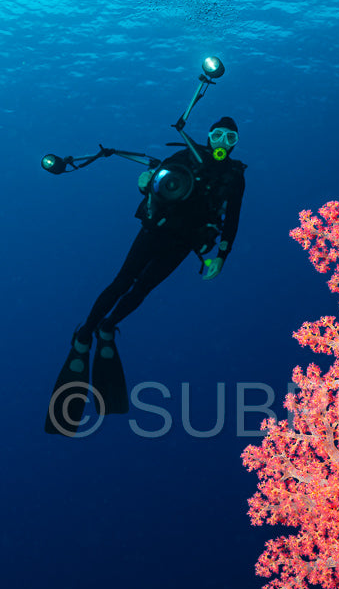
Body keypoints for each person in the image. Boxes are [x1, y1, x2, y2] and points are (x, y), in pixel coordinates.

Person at [45, 117, 246, 434]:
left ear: (235, 142)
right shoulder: (185, 155)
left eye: (229, 136)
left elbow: (232, 219)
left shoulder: (234, 176)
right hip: (156, 230)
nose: (222, 141)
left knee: (142, 290)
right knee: (122, 282)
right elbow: (154, 179)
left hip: (185, 244)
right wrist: (145, 180)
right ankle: (85, 334)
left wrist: (220, 257)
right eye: (218, 134)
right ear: (208, 135)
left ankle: (107, 328)